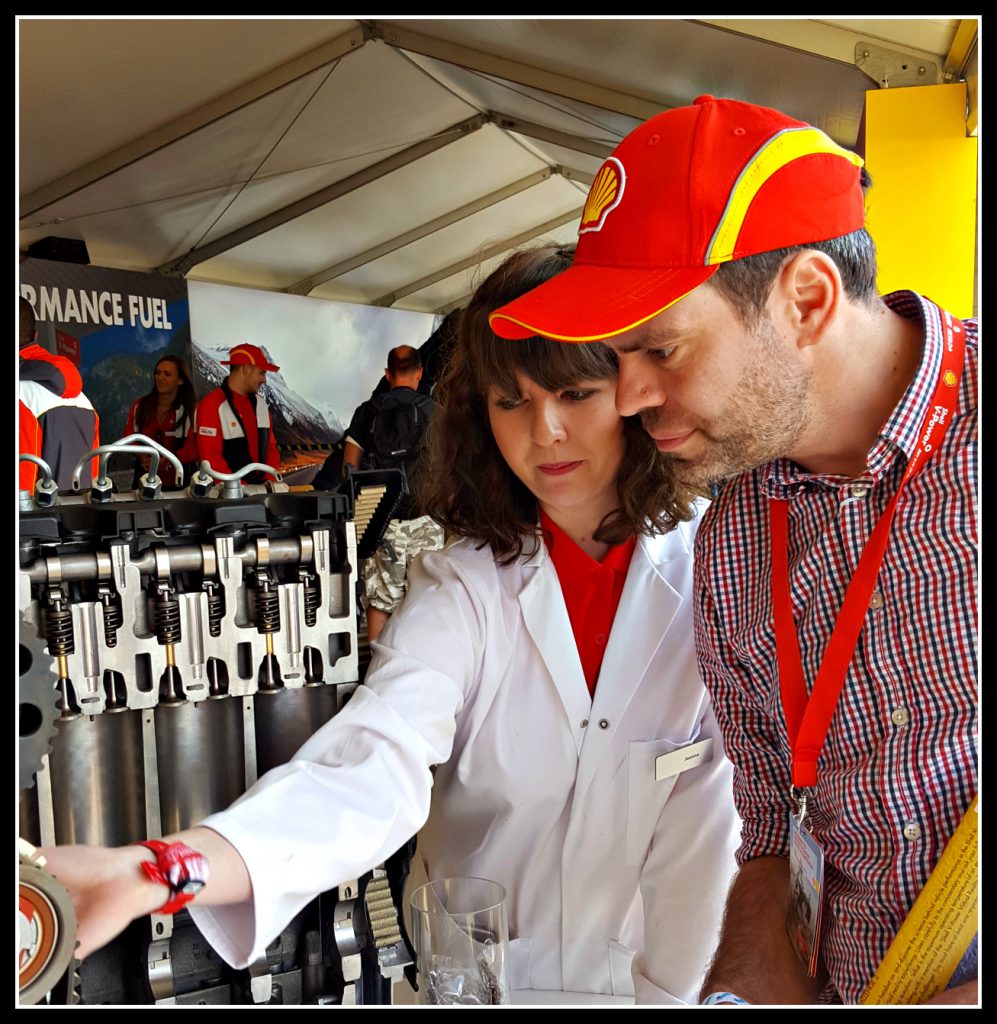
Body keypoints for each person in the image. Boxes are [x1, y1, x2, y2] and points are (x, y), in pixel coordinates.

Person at [37, 245, 740, 1005]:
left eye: (574, 394)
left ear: (636, 392)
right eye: (511, 402)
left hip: (670, 988)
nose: (544, 433)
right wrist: (163, 870)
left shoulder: (721, 573)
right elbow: (371, 766)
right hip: (481, 986)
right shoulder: (464, 584)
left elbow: (718, 839)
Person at [488, 96, 978, 1005]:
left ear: (804, 300)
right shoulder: (736, 531)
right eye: (618, 354)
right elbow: (767, 834)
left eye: (661, 351)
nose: (629, 397)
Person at [342, 345, 443, 642]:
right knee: (429, 599)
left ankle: (379, 673)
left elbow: (349, 465)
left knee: (380, 602)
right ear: (420, 373)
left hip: (382, 520)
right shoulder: (434, 412)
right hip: (425, 519)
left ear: (387, 374)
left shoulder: (368, 411)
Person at [18, 295, 100, 492]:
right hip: (78, 516)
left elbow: (22, 482)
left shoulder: (21, 394)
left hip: (34, 519)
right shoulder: (83, 400)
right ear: (36, 335)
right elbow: (94, 474)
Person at [192, 343, 281, 481]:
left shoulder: (261, 405)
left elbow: (271, 448)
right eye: (262, 373)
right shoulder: (211, 406)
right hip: (227, 498)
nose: (264, 380)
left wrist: (269, 482)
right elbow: (210, 460)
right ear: (245, 368)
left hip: (259, 495)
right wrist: (238, 490)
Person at [122, 354, 197, 488]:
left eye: (167, 374)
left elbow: (193, 449)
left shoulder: (190, 412)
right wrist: (141, 455)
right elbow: (129, 436)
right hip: (144, 484)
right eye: (158, 373)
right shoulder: (139, 406)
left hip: (180, 486)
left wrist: (167, 460)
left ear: (180, 380)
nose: (160, 378)